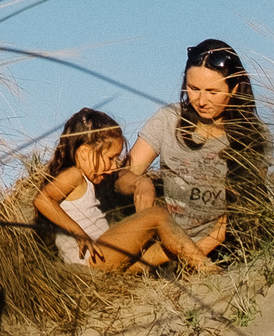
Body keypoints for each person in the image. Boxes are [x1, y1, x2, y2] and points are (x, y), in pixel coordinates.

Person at [116, 39, 271, 261]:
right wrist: (141, 182)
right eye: (193, 89)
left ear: (234, 88)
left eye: (212, 92)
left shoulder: (255, 134)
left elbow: (245, 208)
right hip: (168, 242)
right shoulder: (168, 119)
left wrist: (196, 255)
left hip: (226, 246)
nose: (201, 100)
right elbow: (122, 177)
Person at [32, 107, 219, 274]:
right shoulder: (73, 175)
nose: (114, 166)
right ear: (85, 153)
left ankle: (202, 262)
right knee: (157, 215)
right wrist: (77, 232)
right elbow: (42, 199)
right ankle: (205, 268)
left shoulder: (87, 182)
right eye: (111, 158)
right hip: (92, 258)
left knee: (164, 250)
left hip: (104, 259)